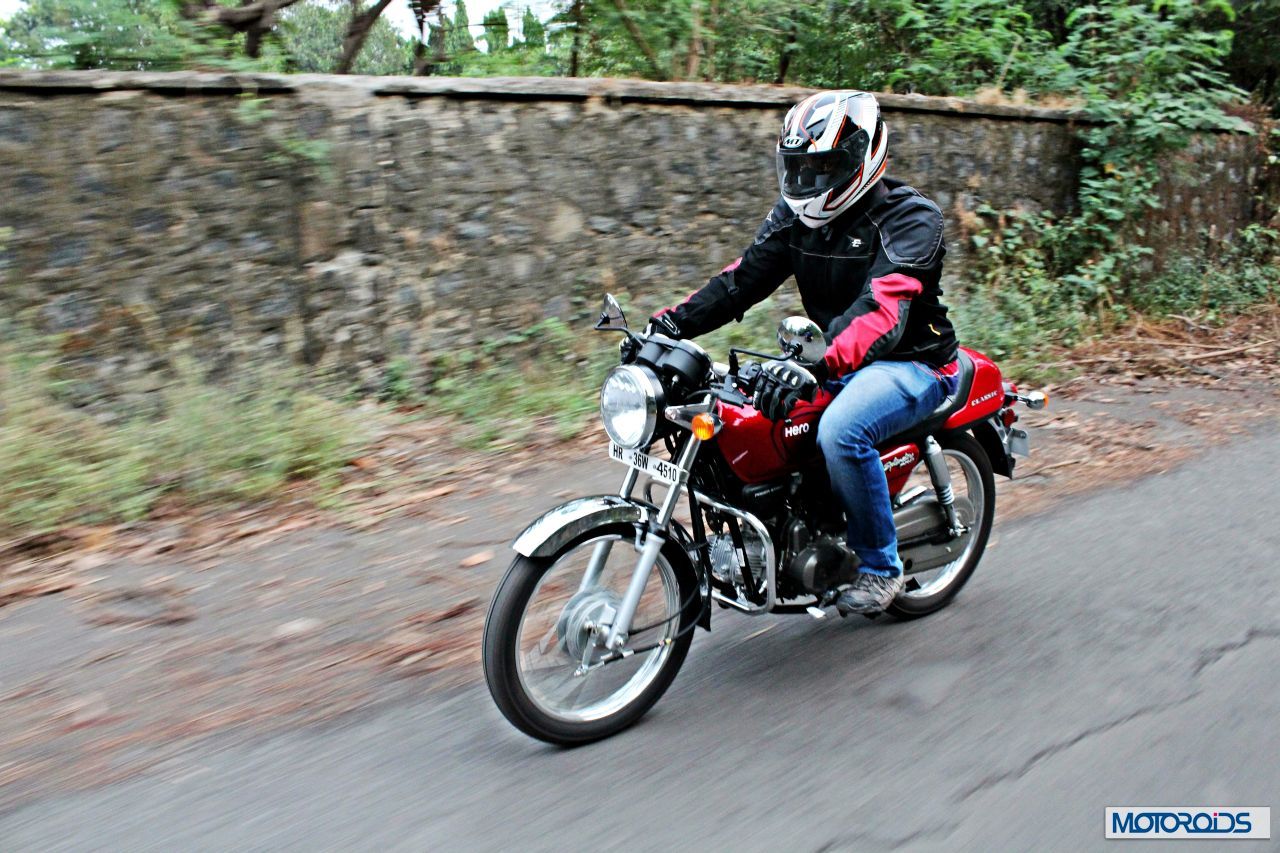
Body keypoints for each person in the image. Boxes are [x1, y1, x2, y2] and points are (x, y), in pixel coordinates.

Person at [649, 90, 960, 615]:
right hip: (833, 358)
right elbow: (740, 281)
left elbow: (881, 312)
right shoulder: (793, 217)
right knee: (740, 417)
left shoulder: (910, 218)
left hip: (913, 362)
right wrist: (667, 327)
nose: (807, 180)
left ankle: (881, 569)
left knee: (842, 430)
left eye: (822, 167)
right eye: (798, 167)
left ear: (862, 158)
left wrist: (809, 361)